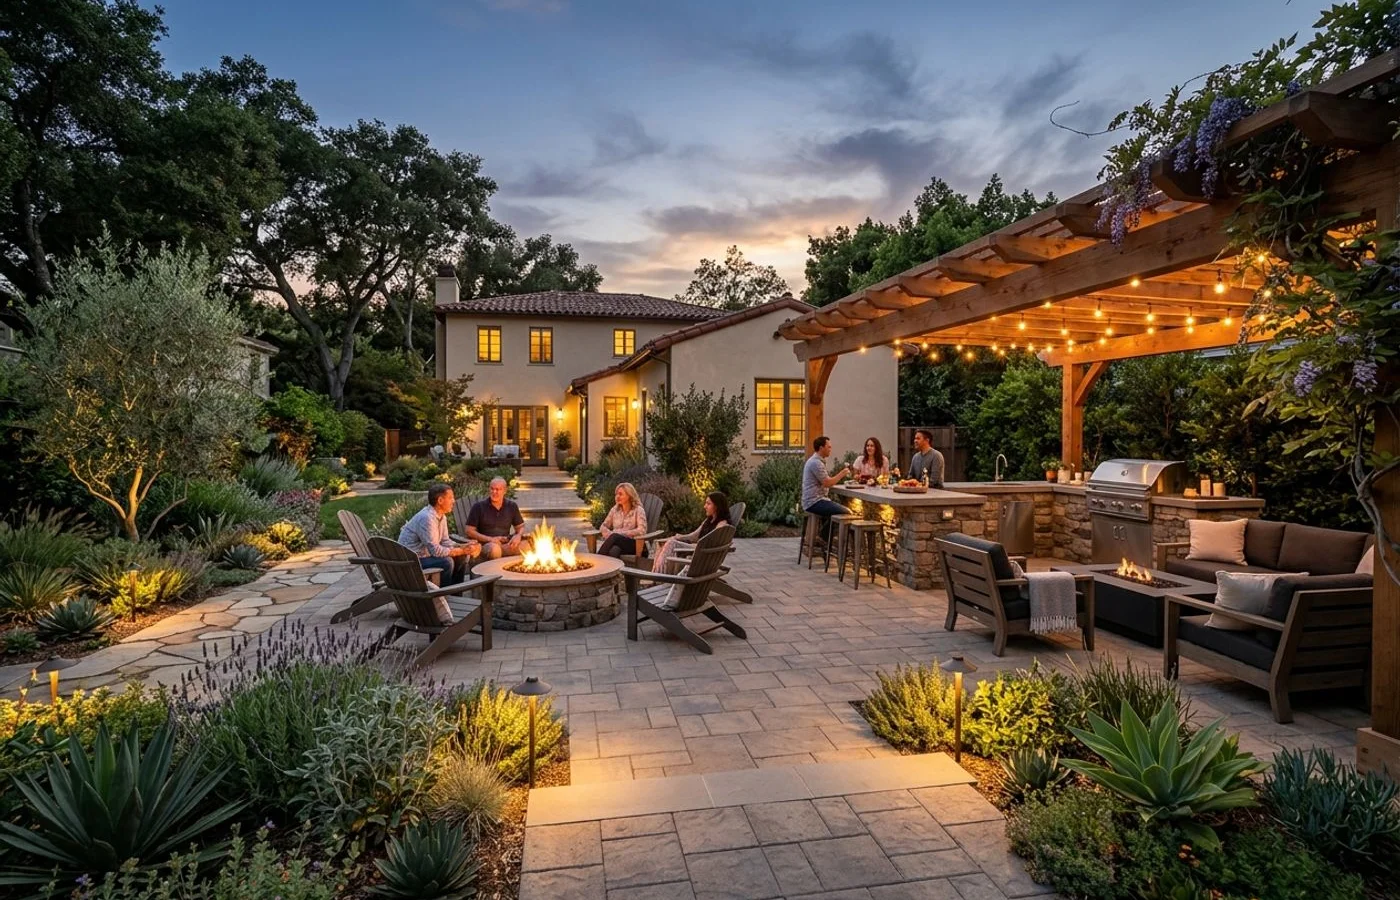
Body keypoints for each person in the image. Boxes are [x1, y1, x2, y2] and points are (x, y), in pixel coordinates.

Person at [399, 483, 481, 585]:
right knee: (446, 562)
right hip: (412, 561)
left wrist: (463, 546)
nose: (453, 501)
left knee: (462, 557)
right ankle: (444, 594)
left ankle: (455, 592)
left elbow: (445, 541)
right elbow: (436, 551)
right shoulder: (427, 518)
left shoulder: (441, 516)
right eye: (450, 498)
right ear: (440, 501)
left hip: (424, 556)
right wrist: (461, 550)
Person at [653, 491, 730, 574]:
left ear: (717, 506)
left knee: (671, 543)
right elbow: (693, 536)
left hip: (701, 552)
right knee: (663, 543)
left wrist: (676, 540)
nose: (705, 506)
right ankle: (657, 573)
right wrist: (678, 537)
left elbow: (710, 544)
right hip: (697, 548)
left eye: (708, 504)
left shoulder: (722, 525)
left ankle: (658, 575)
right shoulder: (708, 520)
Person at [802, 435, 852, 543]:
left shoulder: (817, 461)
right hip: (814, 501)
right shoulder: (816, 463)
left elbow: (826, 481)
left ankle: (826, 543)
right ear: (821, 448)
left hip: (815, 500)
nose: (830, 449)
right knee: (846, 513)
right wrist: (842, 473)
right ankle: (823, 539)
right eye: (828, 447)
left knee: (834, 514)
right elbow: (827, 483)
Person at [465, 476, 526, 559]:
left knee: (527, 546)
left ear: (505, 491)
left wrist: (518, 536)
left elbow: (520, 527)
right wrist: (490, 539)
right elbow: (469, 531)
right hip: (486, 545)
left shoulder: (511, 506)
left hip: (505, 544)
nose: (494, 492)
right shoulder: (478, 507)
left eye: (498, 489)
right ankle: (496, 571)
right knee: (495, 550)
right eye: (492, 489)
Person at [598, 482, 648, 558]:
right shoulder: (615, 509)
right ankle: (607, 568)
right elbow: (603, 526)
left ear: (629, 495)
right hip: (617, 543)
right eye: (616, 494)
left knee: (615, 537)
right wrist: (608, 533)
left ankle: (597, 560)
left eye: (620, 494)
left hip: (635, 545)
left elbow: (642, 530)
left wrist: (620, 533)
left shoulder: (638, 510)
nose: (617, 497)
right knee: (614, 550)